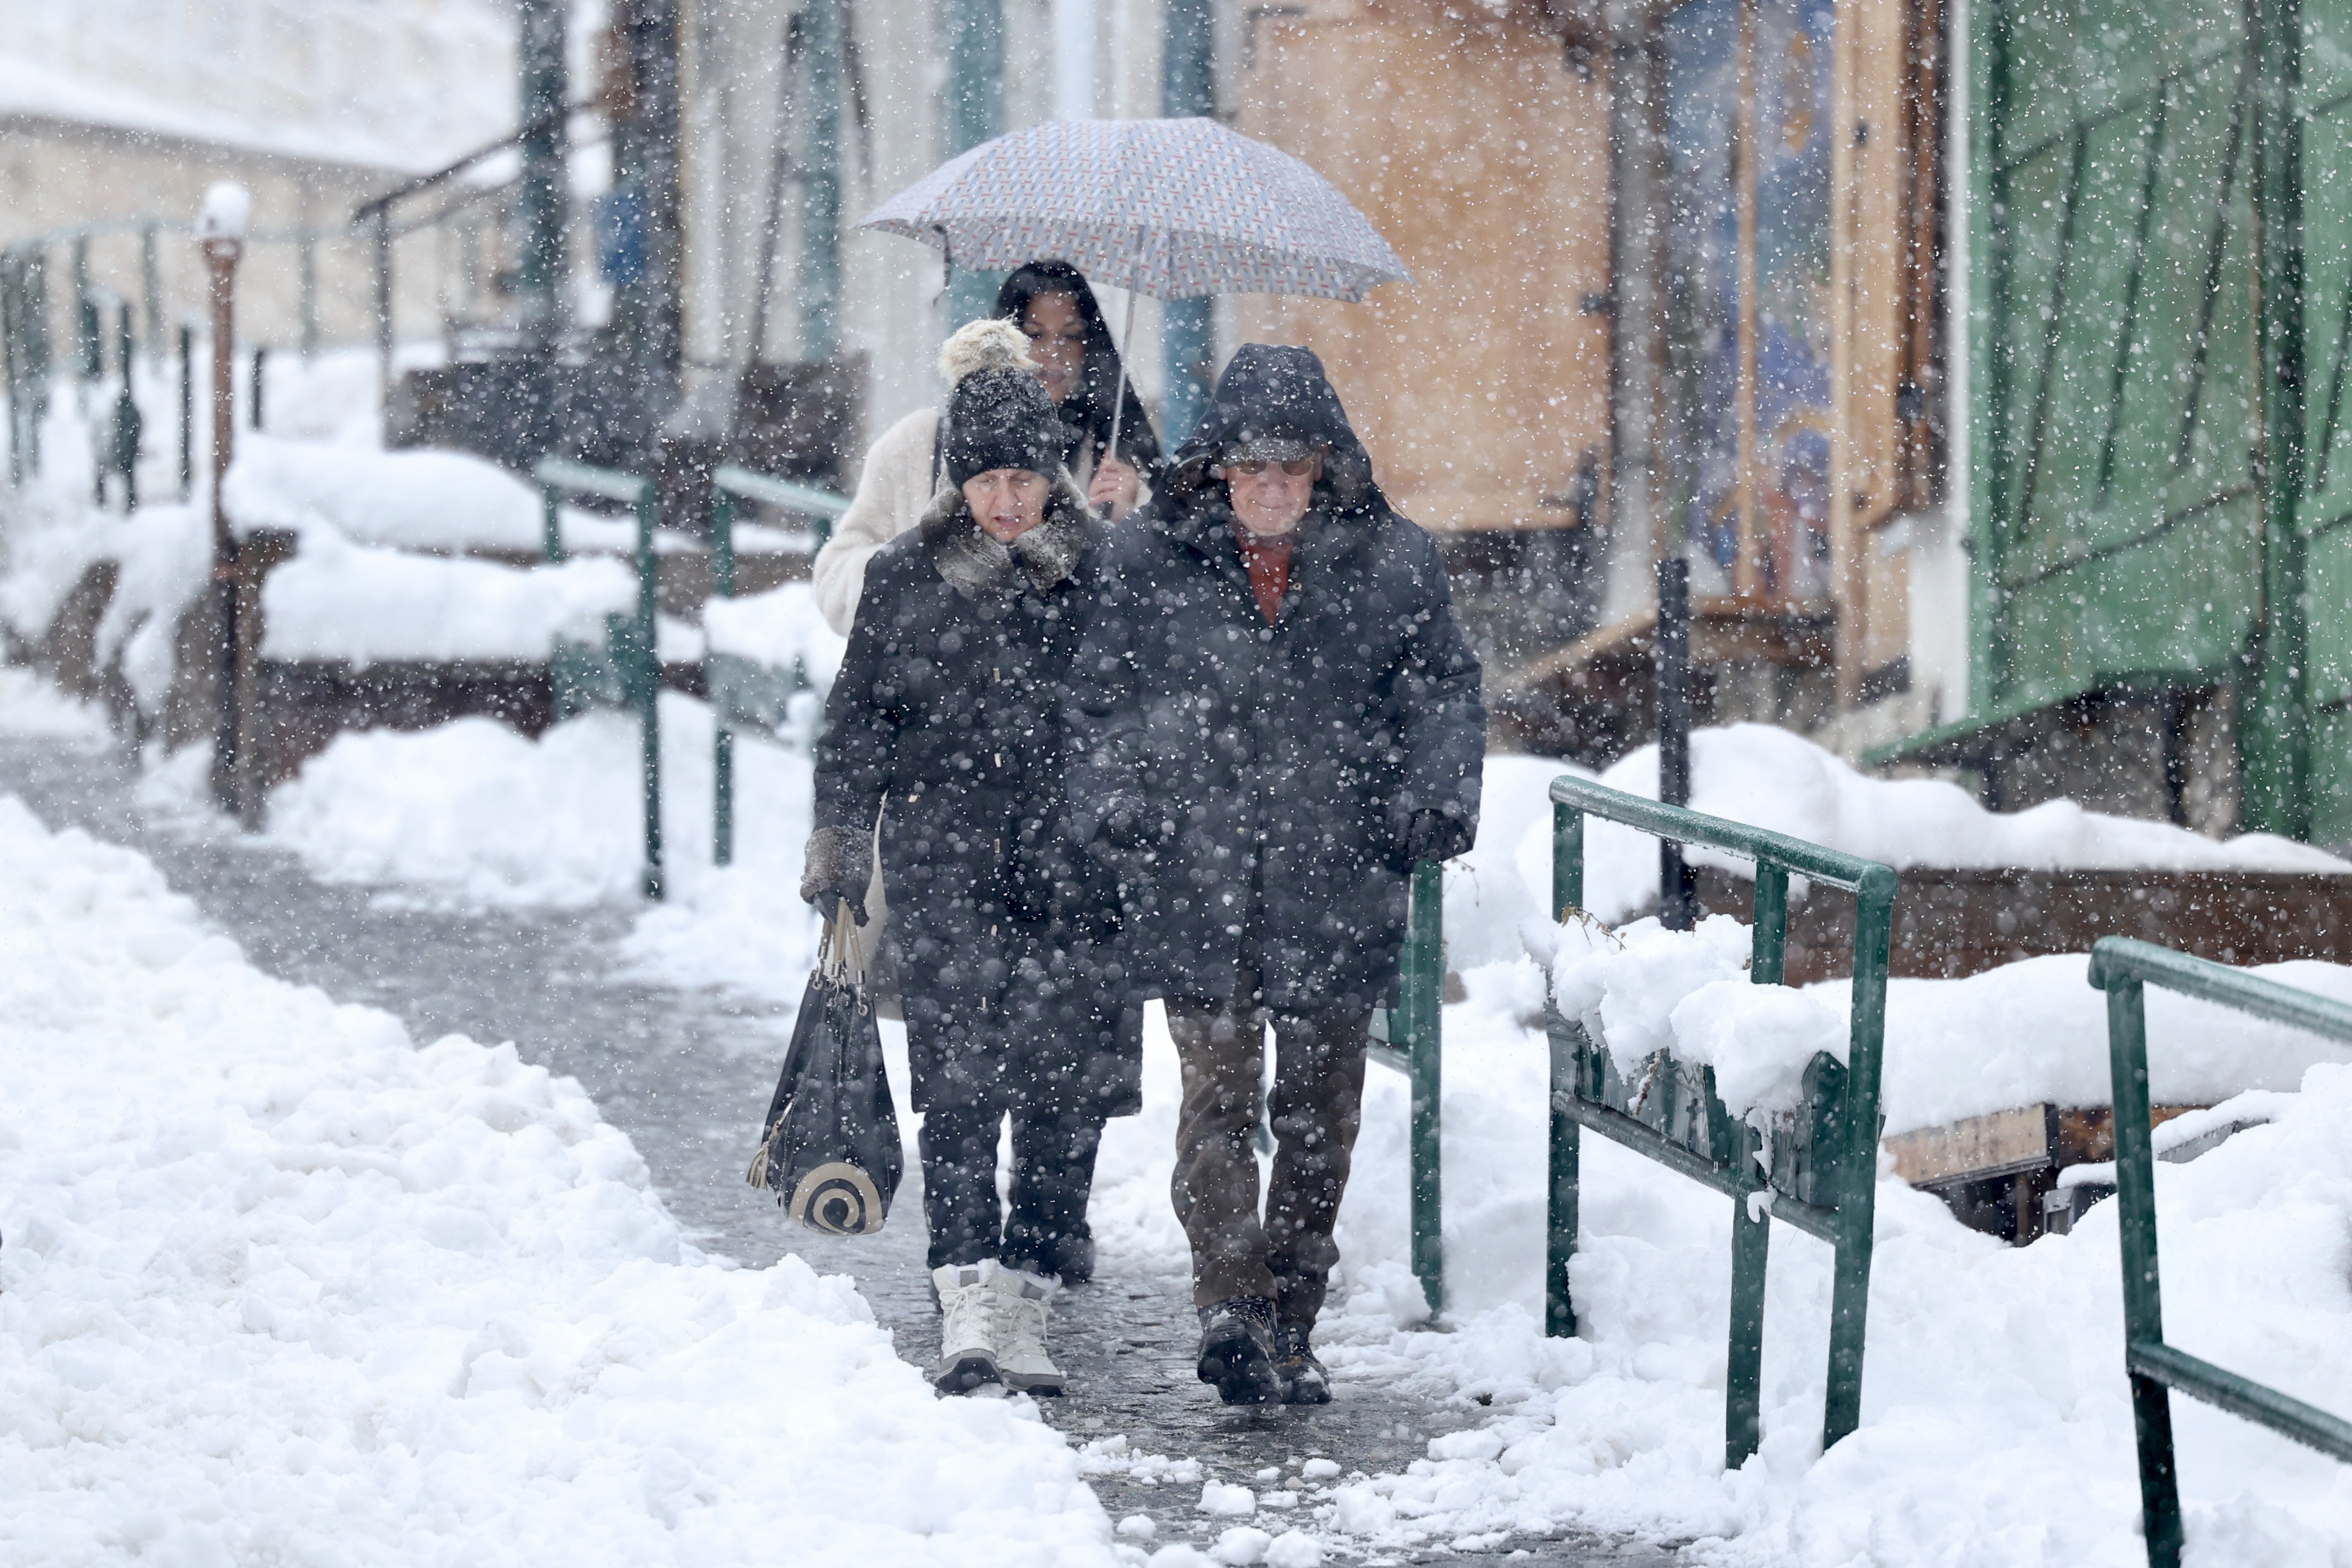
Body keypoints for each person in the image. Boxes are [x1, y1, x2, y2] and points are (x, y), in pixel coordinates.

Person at [1064, 345, 1484, 1405]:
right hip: (1196, 869)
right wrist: (1116, 796)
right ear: (1215, 467)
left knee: (1317, 1112)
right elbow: (1098, 696)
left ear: (1323, 468)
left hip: (1337, 869)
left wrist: (1435, 794)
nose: (1270, 488)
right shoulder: (1148, 558)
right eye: (1251, 467)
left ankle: (1291, 1319)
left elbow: (1442, 686)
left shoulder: (1393, 562)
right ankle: (1230, 1303)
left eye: (1291, 468)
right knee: (1215, 1096)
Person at [800, 317, 1133, 1398]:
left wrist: (1128, 807)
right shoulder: (905, 575)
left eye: (1023, 478)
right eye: (986, 479)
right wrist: (839, 845)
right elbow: (857, 722)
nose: (1005, 500)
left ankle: (1029, 1286)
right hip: (945, 860)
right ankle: (966, 1288)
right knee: (957, 1084)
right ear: (958, 478)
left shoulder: (1102, 574)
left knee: (1061, 1086)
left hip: (1075, 869)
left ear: (1050, 476)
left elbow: (1152, 715)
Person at [812, 260, 1163, 637]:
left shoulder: (1115, 461)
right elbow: (835, 581)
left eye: (1071, 336)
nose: (1053, 353)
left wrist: (1126, 527)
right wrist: (923, 575)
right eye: (1034, 335)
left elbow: (1156, 610)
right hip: (929, 668)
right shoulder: (918, 444)